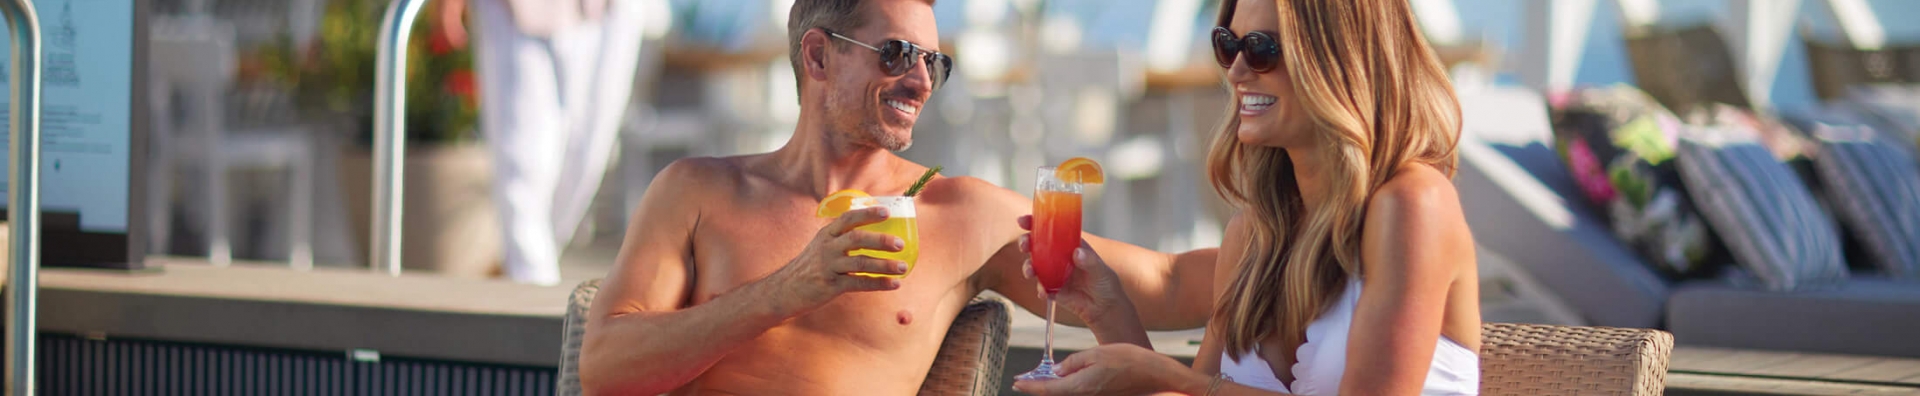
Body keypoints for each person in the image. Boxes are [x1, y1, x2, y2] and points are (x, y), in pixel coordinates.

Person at [578, 0, 1220, 394]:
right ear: (818, 56)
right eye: (896, 54)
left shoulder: (959, 215)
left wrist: (1314, 229)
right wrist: (787, 290)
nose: (920, 79)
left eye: (934, 63)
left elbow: (1167, 281)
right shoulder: (697, 191)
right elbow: (606, 369)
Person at [1011, 0, 1482, 395]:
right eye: (1227, 44)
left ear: (1338, 57)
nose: (1235, 70)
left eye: (1260, 49)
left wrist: (1174, 376)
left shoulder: (1414, 205)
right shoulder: (1256, 234)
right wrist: (1107, 307)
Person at [445, 0, 647, 284]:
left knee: (587, 161)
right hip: (516, 12)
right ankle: (534, 297)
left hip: (605, 12)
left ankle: (520, 273)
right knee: (524, 169)